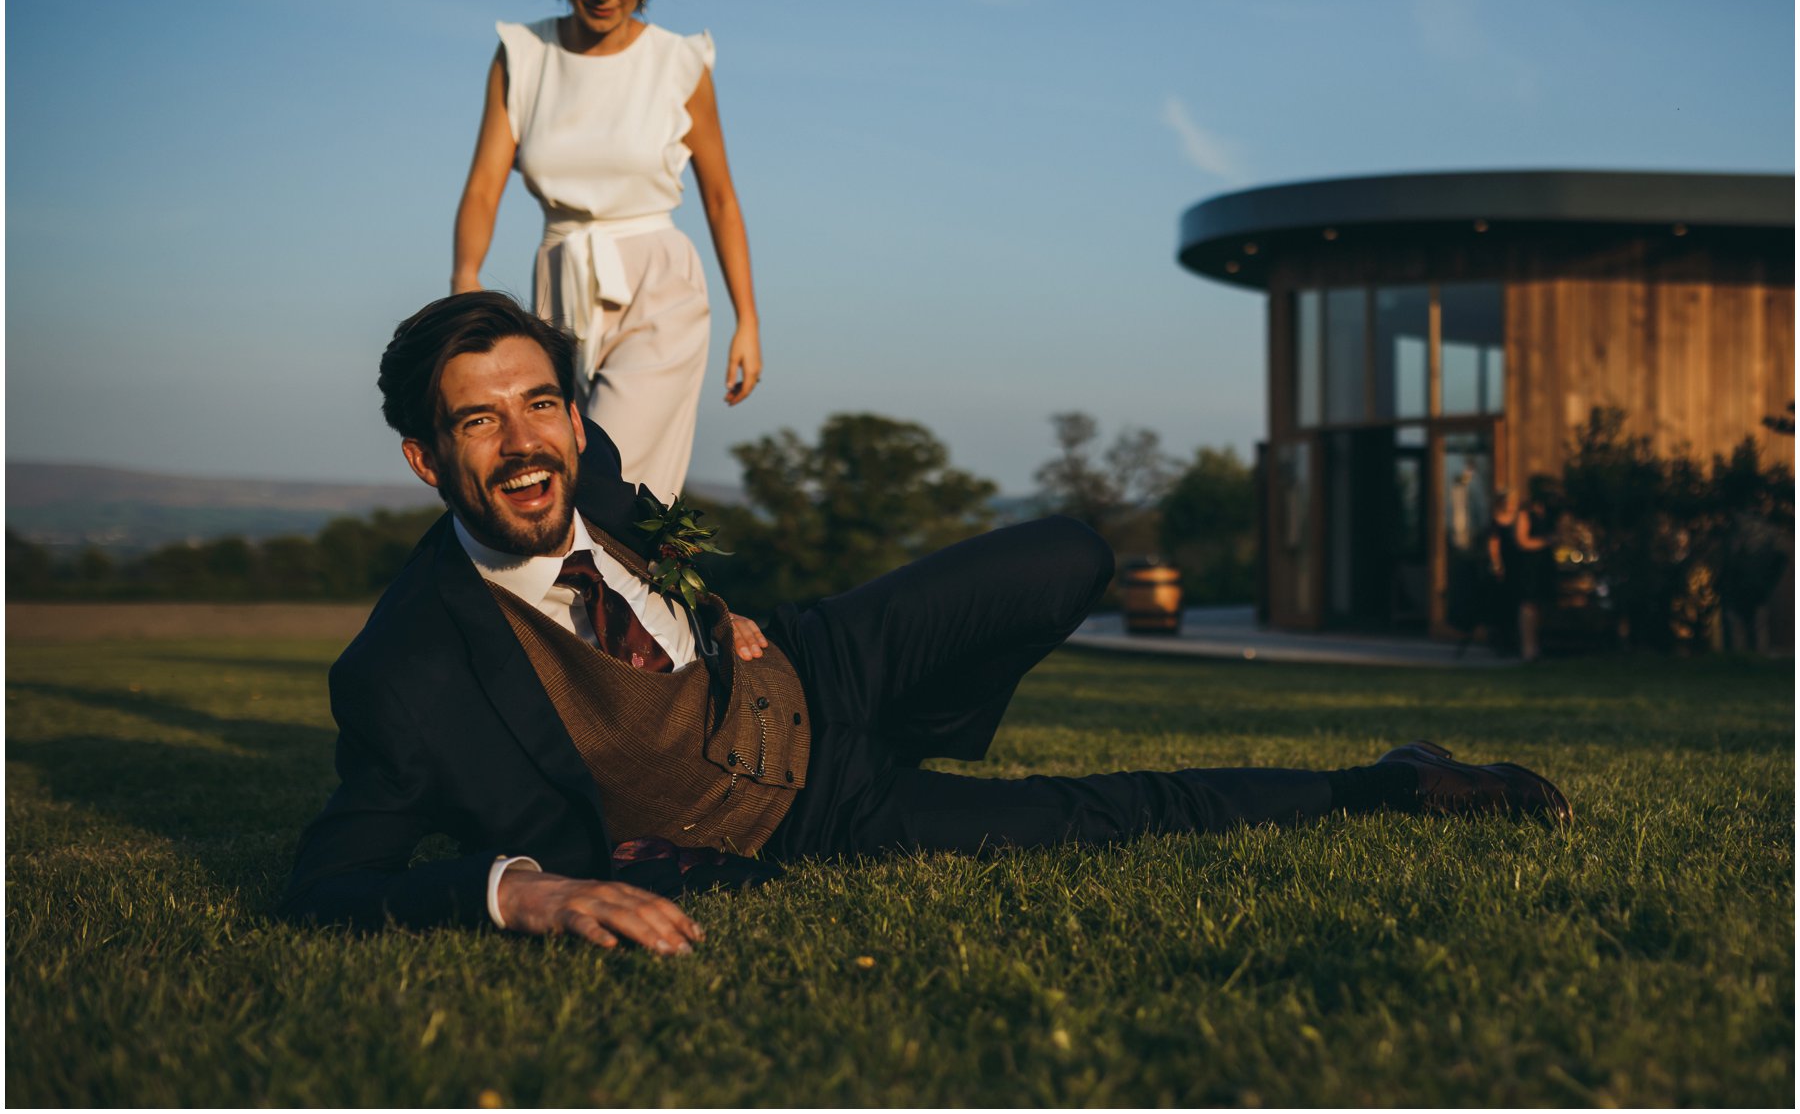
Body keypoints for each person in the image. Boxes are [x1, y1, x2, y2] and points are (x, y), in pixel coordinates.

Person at [280, 293, 1573, 953]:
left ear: (571, 411)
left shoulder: (590, 465)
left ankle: (933, 721)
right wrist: (529, 893)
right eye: (478, 420)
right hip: (802, 815)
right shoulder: (402, 672)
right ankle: (1390, 788)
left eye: (540, 403)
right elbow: (329, 885)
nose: (523, 444)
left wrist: (708, 601)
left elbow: (645, 528)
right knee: (1094, 819)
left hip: (820, 664)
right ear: (424, 459)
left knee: (1068, 554)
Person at [451, 0, 761, 503]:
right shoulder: (522, 54)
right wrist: (465, 280)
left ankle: (645, 595)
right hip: (556, 288)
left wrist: (748, 319)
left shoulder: (680, 63)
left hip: (658, 286)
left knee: (613, 479)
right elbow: (484, 186)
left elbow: (720, 198)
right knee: (553, 472)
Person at [1488, 488, 1555, 661]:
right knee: (1519, 605)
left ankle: (1524, 645)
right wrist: (1497, 565)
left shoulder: (1519, 517)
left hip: (1519, 565)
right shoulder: (1503, 521)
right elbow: (1496, 545)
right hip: (1511, 568)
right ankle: (1519, 646)